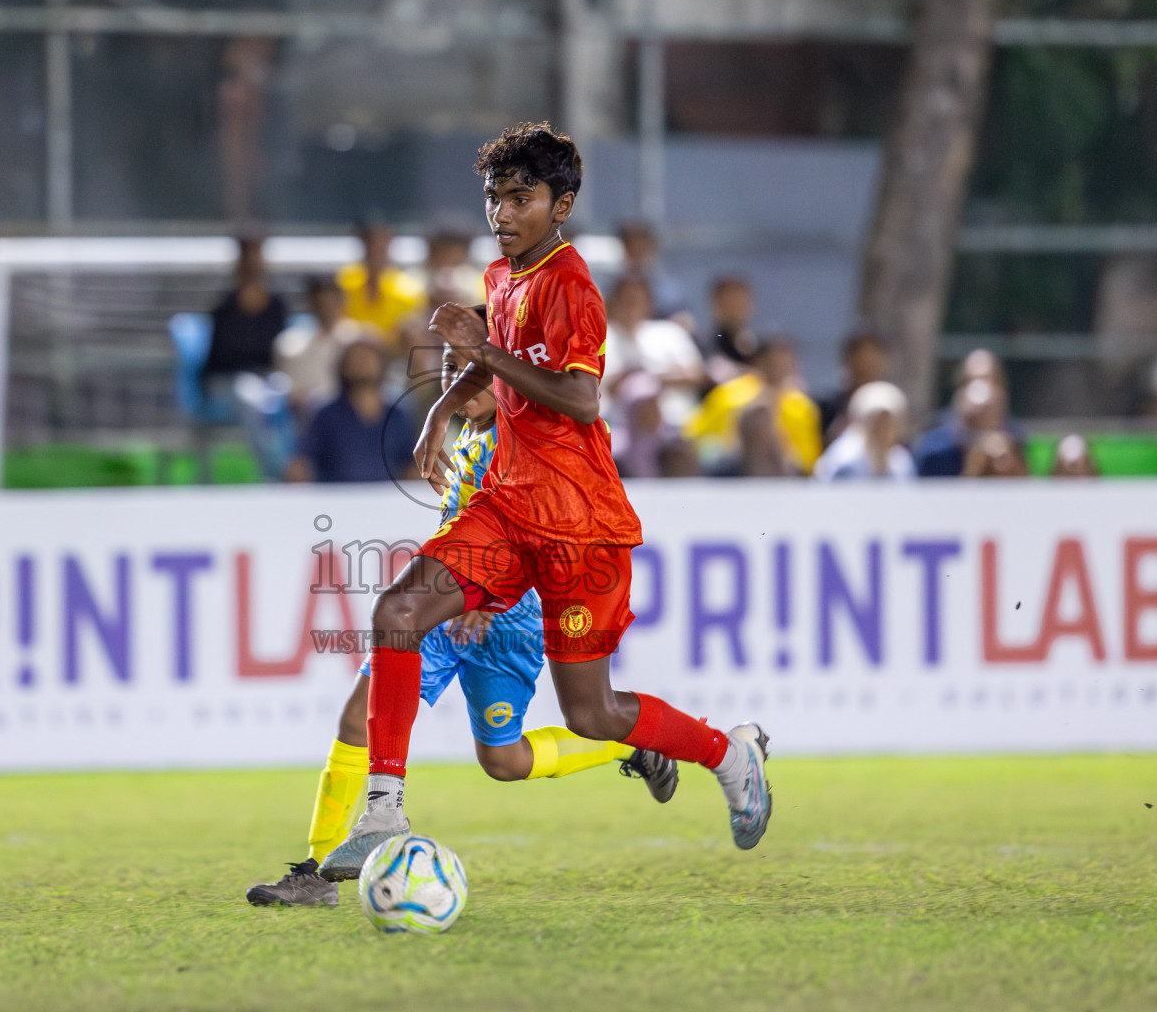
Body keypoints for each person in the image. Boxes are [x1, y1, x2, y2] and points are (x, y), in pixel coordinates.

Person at [316, 121, 772, 882]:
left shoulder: (571, 284)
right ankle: (382, 811)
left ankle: (729, 753)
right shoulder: (502, 278)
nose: (502, 212)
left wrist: (479, 351)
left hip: (577, 521)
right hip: (505, 505)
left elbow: (581, 398)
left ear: (560, 206)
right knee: (396, 613)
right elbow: (498, 355)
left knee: (591, 714)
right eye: (494, 196)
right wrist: (442, 408)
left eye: (520, 197)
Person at [247, 344, 677, 907]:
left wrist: (488, 592)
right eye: (448, 372)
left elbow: (547, 536)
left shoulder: (533, 443)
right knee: (359, 714)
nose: (453, 384)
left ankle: (631, 748)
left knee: (504, 759)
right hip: (447, 609)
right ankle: (315, 874)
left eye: (468, 370)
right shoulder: (469, 439)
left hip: (508, 619)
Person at [684, 338, 822, 475]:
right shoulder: (729, 395)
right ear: (758, 362)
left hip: (786, 479)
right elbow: (696, 440)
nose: (779, 369)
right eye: (773, 363)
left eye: (785, 363)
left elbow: (809, 462)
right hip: (733, 473)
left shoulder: (802, 405)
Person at [284, 339, 412, 483]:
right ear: (343, 366)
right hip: (337, 498)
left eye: (368, 358)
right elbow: (303, 461)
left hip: (387, 497)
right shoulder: (326, 414)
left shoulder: (397, 415)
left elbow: (410, 462)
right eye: (356, 358)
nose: (362, 363)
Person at [600, 275, 706, 427]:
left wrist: (650, 378)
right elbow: (608, 387)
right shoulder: (599, 338)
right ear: (614, 301)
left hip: (678, 422)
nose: (632, 305)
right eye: (627, 299)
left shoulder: (670, 331)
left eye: (638, 299)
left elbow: (696, 375)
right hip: (620, 427)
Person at [913, 349, 1026, 477]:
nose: (979, 388)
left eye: (988, 380)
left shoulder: (1016, 443)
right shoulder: (934, 451)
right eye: (969, 381)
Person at [273, 275, 362, 419]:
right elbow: (288, 391)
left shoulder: (359, 341)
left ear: (341, 301)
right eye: (321, 302)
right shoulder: (289, 344)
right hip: (307, 415)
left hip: (351, 414)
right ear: (312, 303)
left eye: (332, 300)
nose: (327, 307)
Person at [204, 238, 286, 380]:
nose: (252, 265)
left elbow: (279, 354)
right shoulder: (225, 307)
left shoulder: (277, 306)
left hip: (268, 379)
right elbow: (219, 357)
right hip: (230, 380)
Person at [335, 221, 426, 348]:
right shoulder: (343, 282)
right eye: (371, 241)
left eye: (382, 241)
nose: (376, 247)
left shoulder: (410, 290)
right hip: (349, 352)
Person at [814, 381, 916, 481]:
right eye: (878, 422)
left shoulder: (901, 462)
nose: (883, 429)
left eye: (888, 423)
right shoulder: (844, 461)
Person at [816, 331, 890, 444]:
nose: (866, 368)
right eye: (861, 363)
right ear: (848, 362)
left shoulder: (890, 410)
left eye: (872, 365)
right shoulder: (828, 408)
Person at [615, 221, 689, 319]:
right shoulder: (613, 282)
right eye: (631, 246)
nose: (636, 252)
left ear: (652, 248)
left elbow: (680, 313)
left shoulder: (669, 287)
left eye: (640, 247)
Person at [705, 276, 759, 374]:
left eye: (738, 301)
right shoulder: (708, 345)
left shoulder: (758, 345)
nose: (734, 309)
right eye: (727, 302)